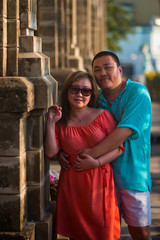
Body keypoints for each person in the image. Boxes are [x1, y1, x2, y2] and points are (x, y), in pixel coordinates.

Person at [59, 51, 152, 240]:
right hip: (100, 179)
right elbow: (79, 128)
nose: (103, 73)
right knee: (104, 232)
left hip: (132, 175)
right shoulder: (95, 98)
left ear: (119, 69)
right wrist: (63, 151)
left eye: (108, 67)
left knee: (139, 232)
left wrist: (91, 155)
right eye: (97, 70)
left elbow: (124, 132)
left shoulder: (137, 93)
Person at [45, 71, 124, 240]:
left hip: (99, 184)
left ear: (91, 94)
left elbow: (119, 148)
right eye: (74, 89)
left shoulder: (103, 116)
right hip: (72, 186)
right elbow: (51, 152)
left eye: (85, 91)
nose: (79, 94)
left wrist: (96, 163)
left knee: (103, 232)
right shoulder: (61, 122)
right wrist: (51, 122)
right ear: (67, 91)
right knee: (77, 233)